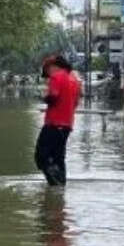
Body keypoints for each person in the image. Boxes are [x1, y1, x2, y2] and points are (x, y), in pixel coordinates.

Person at [34, 53, 81, 186]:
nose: (48, 74)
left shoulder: (56, 77)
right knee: (59, 158)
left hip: (53, 123)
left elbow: (53, 97)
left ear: (53, 66)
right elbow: (76, 102)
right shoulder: (74, 79)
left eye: (47, 70)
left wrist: (44, 97)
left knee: (41, 157)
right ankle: (60, 191)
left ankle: (54, 184)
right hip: (67, 125)